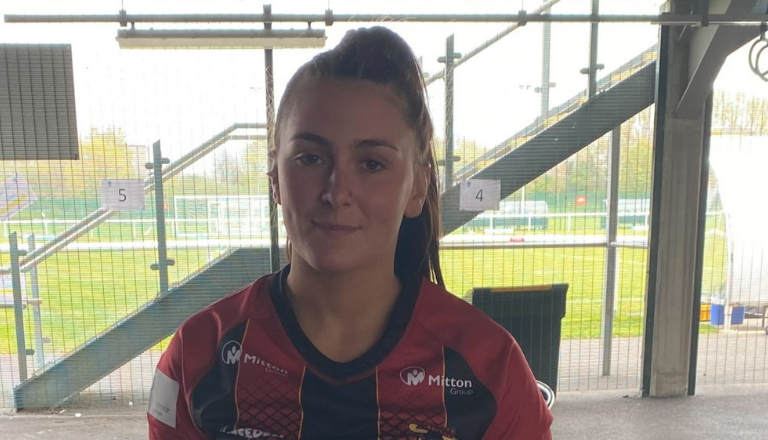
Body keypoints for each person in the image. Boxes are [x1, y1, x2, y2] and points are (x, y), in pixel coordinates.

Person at [148, 26, 552, 440]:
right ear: (275, 178)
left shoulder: (491, 368)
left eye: (372, 163)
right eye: (310, 158)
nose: (337, 191)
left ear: (417, 187)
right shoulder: (198, 355)